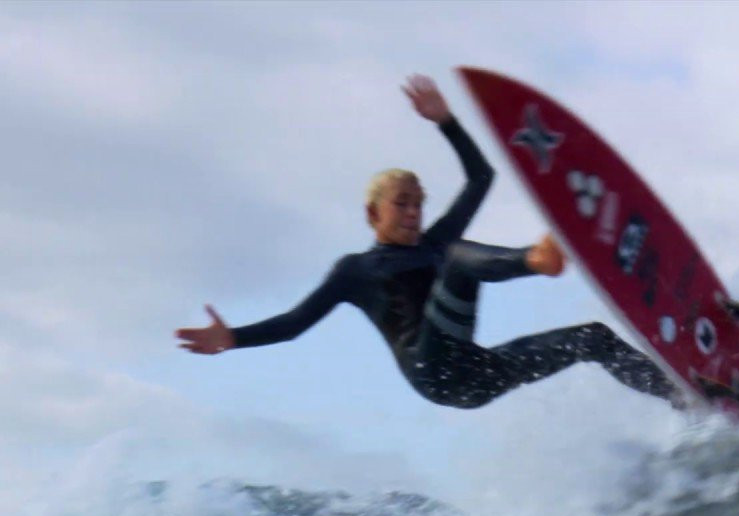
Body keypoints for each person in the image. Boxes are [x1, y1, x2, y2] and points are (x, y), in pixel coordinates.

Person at [176, 74, 677, 410]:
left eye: (419, 203)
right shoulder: (355, 269)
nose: (415, 212)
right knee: (457, 258)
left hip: (476, 374)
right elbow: (294, 323)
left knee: (592, 338)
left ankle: (684, 399)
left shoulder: (436, 242)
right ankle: (538, 258)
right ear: (373, 213)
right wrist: (233, 337)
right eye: (402, 204)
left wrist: (447, 123)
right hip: (430, 370)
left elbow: (480, 178)